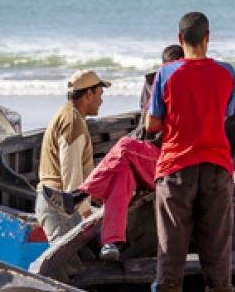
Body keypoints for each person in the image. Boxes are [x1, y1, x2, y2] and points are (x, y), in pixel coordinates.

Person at [44, 46, 183, 261]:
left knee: (125, 146)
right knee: (121, 176)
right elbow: (146, 129)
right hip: (149, 158)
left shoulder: (185, 89)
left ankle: (80, 195)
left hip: (170, 164)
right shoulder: (153, 85)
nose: (102, 99)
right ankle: (111, 242)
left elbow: (153, 128)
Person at [148, 11, 235, 292]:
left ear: (179, 38)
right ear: (207, 38)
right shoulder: (227, 73)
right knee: (217, 243)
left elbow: (152, 124)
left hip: (176, 166)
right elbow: (225, 114)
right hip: (217, 166)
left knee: (171, 242)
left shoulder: (166, 73)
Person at [34, 69, 108, 241]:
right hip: (61, 206)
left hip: (56, 202)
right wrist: (86, 213)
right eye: (100, 94)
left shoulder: (69, 114)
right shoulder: (72, 121)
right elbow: (71, 174)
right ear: (88, 94)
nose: (101, 100)